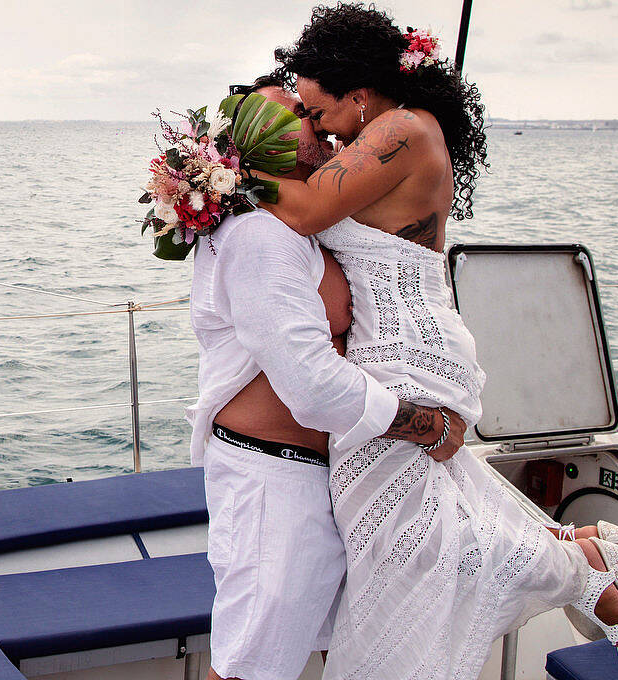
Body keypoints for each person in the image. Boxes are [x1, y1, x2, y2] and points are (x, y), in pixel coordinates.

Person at [262, 3, 618, 676]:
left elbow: (304, 210)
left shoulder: (404, 131)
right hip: (391, 351)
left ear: (359, 98)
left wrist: (211, 171)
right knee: (403, 531)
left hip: (407, 352)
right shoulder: (384, 135)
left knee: (398, 540)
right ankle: (581, 558)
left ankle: (580, 566)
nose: (318, 128)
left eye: (320, 113)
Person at [189, 84, 464, 680]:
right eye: (297, 115)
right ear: (264, 138)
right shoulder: (259, 237)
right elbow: (310, 384)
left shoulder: (298, 224)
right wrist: (422, 424)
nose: (318, 123)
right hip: (270, 479)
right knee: (248, 670)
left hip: (312, 474)